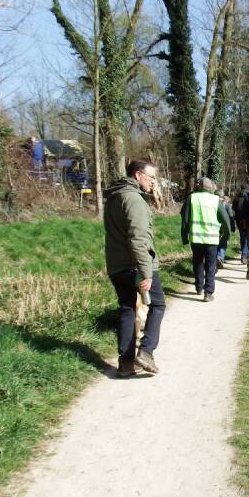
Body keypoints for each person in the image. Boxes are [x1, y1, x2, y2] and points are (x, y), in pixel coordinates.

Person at [104, 159, 166, 377]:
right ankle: (146, 351)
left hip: (116, 265)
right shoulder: (134, 199)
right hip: (136, 266)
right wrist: (146, 273)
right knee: (158, 304)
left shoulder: (114, 196)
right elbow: (138, 239)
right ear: (138, 175)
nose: (153, 182)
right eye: (151, 178)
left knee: (127, 309)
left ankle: (126, 363)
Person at [180, 178, 230, 302]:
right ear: (210, 187)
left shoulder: (192, 198)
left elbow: (184, 219)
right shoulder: (215, 200)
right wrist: (226, 234)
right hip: (212, 239)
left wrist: (184, 237)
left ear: (199, 186)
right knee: (210, 265)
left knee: (197, 263)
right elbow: (225, 218)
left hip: (196, 238)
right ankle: (208, 293)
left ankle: (199, 288)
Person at [216, 191, 237, 268]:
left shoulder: (213, 203)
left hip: (215, 227)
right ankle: (220, 257)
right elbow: (231, 216)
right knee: (223, 243)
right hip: (224, 227)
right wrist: (232, 227)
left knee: (216, 243)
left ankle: (216, 258)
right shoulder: (227, 205)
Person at [233, 185, 249, 264]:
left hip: (239, 220)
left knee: (242, 237)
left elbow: (233, 209)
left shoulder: (237, 198)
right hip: (247, 220)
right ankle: (246, 255)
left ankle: (244, 254)